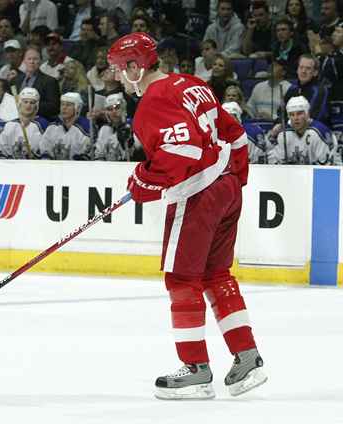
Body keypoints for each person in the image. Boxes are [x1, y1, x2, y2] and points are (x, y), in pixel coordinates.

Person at [107, 32, 267, 400]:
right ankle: (247, 357)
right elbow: (234, 133)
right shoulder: (193, 85)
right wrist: (235, 177)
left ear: (135, 67)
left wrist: (143, 182)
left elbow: (181, 153)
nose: (115, 77)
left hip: (197, 194)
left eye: (118, 70)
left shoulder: (153, 101)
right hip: (226, 185)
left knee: (182, 279)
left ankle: (196, 369)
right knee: (216, 275)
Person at [268, 96, 337, 164]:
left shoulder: (319, 132)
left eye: (299, 113)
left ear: (308, 114)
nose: (296, 118)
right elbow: (274, 165)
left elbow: (327, 170)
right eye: (292, 114)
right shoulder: (284, 134)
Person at [0, 87, 47, 158]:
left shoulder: (41, 124)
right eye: (25, 102)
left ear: (36, 106)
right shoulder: (10, 125)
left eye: (32, 103)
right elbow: (1, 151)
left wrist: (34, 157)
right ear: (20, 103)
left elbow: (44, 150)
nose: (28, 105)